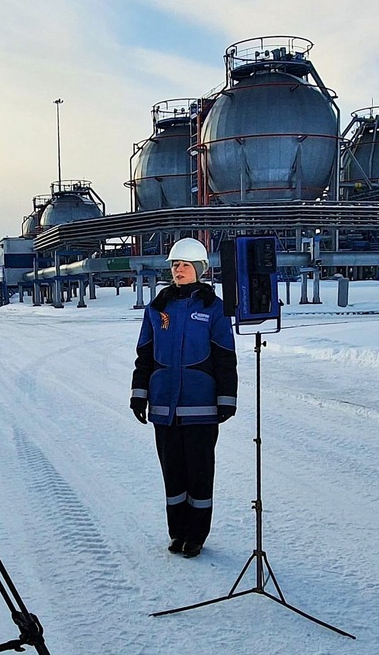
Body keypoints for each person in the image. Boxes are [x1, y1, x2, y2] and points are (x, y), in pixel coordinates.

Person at [130, 237, 238, 558]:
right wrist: (140, 396)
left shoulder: (213, 309)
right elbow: (145, 356)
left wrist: (226, 398)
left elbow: (224, 356)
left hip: (201, 409)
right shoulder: (157, 309)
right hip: (164, 409)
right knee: (173, 474)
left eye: (185, 265)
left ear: (200, 269)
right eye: (175, 265)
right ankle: (177, 531)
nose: (178, 270)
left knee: (199, 476)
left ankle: (197, 535)